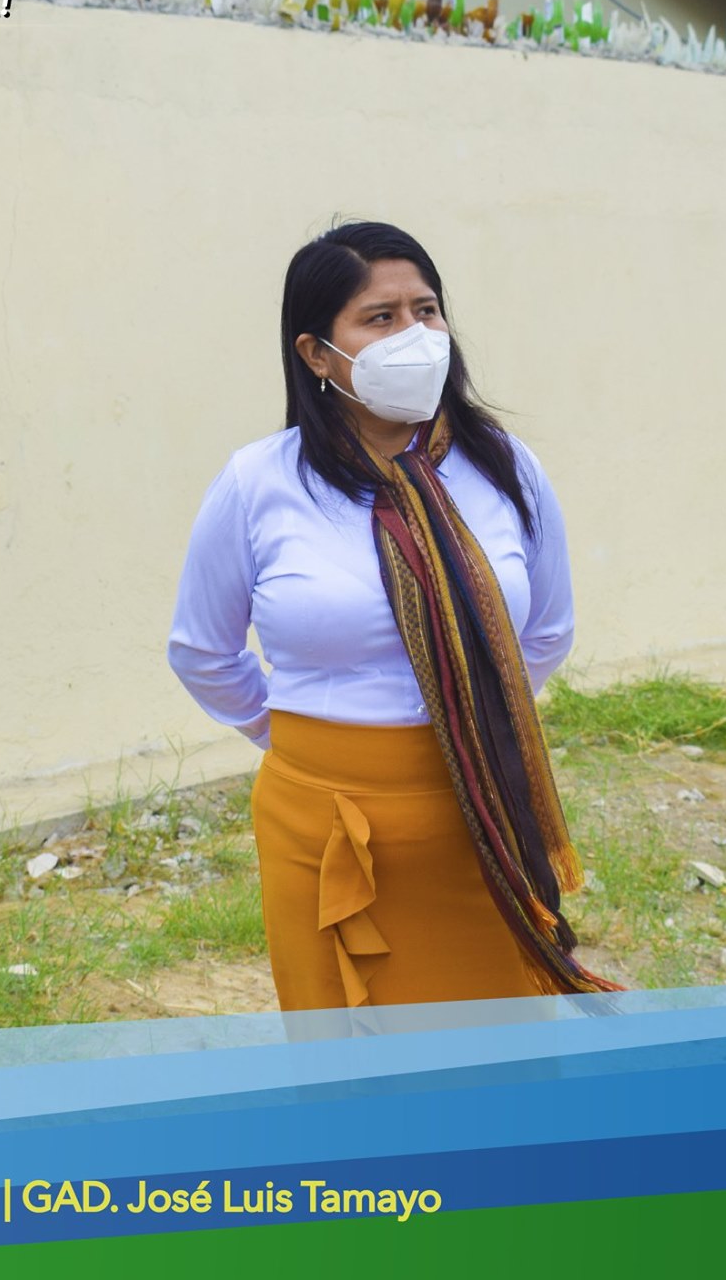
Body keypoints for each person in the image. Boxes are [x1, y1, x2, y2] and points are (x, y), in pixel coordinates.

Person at [168, 221, 618, 1010]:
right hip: (322, 827)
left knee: (497, 1050)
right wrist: (305, 742)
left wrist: (473, 716)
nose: (414, 335)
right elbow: (202, 650)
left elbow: (547, 628)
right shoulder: (258, 483)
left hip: (481, 819)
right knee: (349, 1056)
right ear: (316, 353)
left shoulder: (503, 467)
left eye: (426, 310)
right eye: (380, 317)